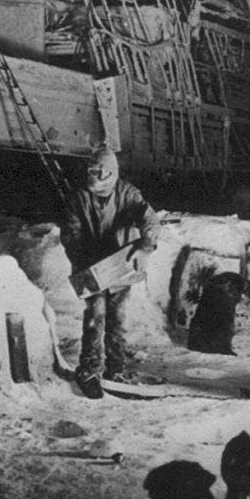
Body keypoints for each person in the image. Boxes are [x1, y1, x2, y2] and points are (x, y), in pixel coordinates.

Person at [60, 147, 159, 399]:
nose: (96, 176)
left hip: (120, 265)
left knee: (118, 320)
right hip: (90, 266)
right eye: (92, 170)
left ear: (112, 173)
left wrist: (145, 246)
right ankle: (90, 370)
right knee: (95, 317)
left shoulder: (128, 193)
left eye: (101, 172)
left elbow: (149, 219)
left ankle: (116, 370)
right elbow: (71, 235)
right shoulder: (77, 197)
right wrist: (87, 266)